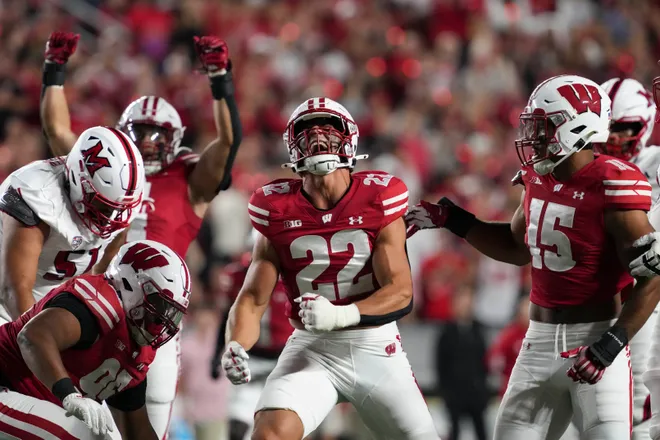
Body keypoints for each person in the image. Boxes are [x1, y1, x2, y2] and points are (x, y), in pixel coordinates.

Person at [406, 74, 660, 439]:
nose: (535, 136)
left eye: (546, 125)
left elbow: (653, 277)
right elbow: (516, 246)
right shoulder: (536, 176)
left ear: (578, 127)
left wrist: (612, 343)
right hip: (537, 341)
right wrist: (454, 219)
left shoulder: (612, 181)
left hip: (594, 339)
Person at [39, 32, 242, 438]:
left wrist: (220, 79)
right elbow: (56, 128)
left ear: (175, 139)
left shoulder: (188, 178)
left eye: (156, 134)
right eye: (139, 132)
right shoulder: (107, 163)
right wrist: (54, 72)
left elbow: (228, 142)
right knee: (64, 400)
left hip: (156, 315)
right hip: (96, 299)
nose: (147, 143)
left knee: (151, 411)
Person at [223, 97, 439, 440]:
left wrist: (340, 315)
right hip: (312, 347)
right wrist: (236, 344)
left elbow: (400, 292)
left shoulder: (378, 197)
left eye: (329, 133)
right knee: (267, 435)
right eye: (307, 134)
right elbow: (252, 297)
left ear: (349, 141)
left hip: (374, 346)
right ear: (293, 147)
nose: (319, 141)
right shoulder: (276, 208)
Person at [0, 239, 191, 440]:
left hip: (22, 403)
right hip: (5, 387)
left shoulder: (135, 349)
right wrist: (69, 394)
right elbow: (32, 337)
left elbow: (138, 431)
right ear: (130, 284)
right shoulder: (98, 306)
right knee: (78, 434)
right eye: (158, 305)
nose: (162, 320)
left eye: (170, 312)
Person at [0, 125, 144, 324]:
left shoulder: (120, 206)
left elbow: (104, 274)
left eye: (116, 209)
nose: (110, 217)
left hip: (50, 303)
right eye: (101, 205)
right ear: (78, 180)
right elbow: (14, 290)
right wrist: (40, 341)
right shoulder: (37, 194)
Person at [593, 77, 658, 440]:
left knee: (638, 402)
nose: (615, 137)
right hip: (597, 293)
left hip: (646, 293)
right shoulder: (586, 166)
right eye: (608, 127)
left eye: (624, 127)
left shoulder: (655, 163)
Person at [210, 230, 293, 440]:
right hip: (251, 357)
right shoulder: (237, 276)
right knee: (237, 427)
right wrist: (217, 353)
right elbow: (227, 318)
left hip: (285, 359)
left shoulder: (294, 278)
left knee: (283, 426)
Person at [436, 286, 489, 440]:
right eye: (463, 301)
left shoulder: (479, 330)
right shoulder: (446, 332)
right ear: (455, 304)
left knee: (481, 432)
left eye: (469, 300)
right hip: (455, 394)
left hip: (476, 393)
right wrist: (445, 393)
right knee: (454, 432)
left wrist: (483, 388)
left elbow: (484, 362)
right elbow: (440, 365)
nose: (466, 305)